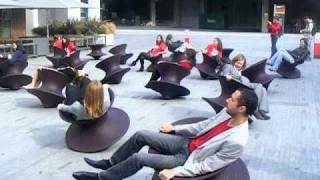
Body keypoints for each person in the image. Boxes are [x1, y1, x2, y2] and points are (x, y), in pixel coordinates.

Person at [72, 88, 258, 180]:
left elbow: (207, 166)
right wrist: (175, 129)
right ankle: (111, 163)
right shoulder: (227, 113)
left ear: (242, 108)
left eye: (232, 100)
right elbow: (203, 125)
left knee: (139, 158)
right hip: (185, 142)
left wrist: (176, 171)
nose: (227, 100)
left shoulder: (238, 140)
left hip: (187, 159)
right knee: (140, 134)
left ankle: (102, 177)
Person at [220, 54, 270, 120]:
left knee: (262, 88)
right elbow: (224, 75)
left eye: (241, 64)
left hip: (243, 83)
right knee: (259, 86)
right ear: (234, 61)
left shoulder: (239, 71)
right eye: (237, 63)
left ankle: (261, 110)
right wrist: (228, 77)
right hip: (238, 85)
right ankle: (256, 110)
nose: (238, 65)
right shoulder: (228, 66)